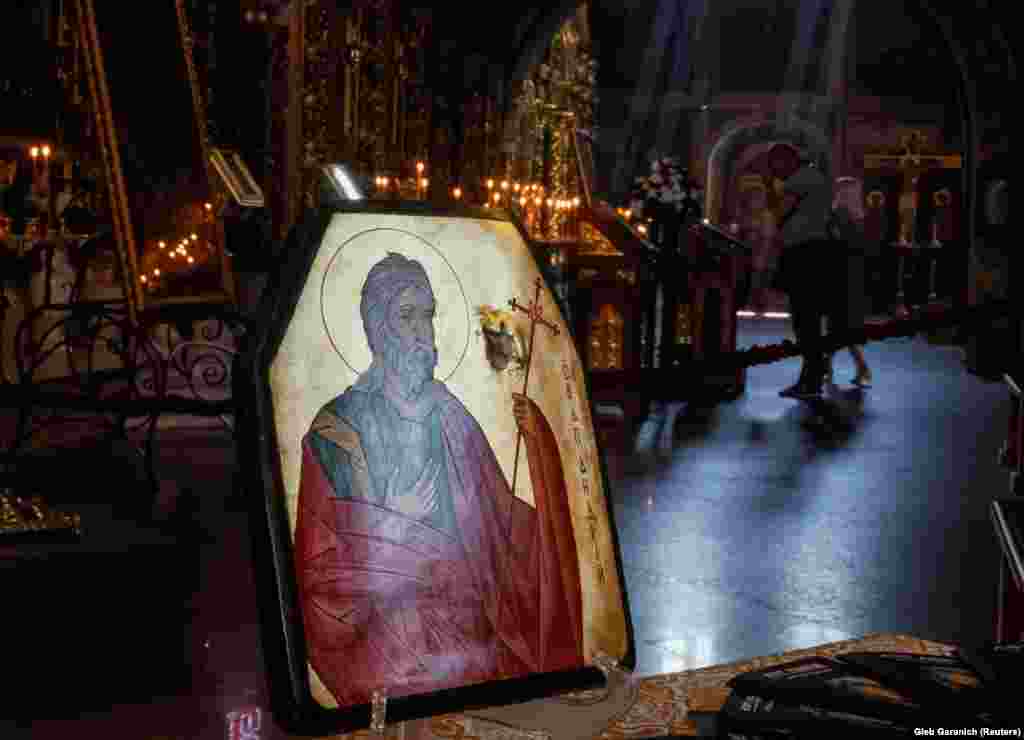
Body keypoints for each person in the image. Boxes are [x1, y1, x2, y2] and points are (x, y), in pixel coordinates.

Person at [294, 252, 583, 708]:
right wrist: (393, 524)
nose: (420, 330)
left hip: (469, 622)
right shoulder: (337, 432)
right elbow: (317, 577)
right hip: (388, 633)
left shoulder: (451, 416)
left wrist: (542, 450)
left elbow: (502, 527)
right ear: (376, 327)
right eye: (405, 315)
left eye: (426, 314)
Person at [755, 144, 834, 398]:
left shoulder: (799, 180)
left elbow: (777, 213)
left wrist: (768, 186)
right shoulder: (813, 177)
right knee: (807, 318)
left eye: (773, 165)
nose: (773, 172)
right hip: (813, 252)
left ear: (786, 161)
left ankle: (811, 380)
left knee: (804, 319)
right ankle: (813, 375)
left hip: (804, 254)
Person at [826, 177, 872, 387]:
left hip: (841, 275)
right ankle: (829, 367)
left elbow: (835, 244)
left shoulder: (840, 216)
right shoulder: (858, 216)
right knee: (842, 327)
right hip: (851, 275)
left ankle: (860, 367)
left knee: (840, 327)